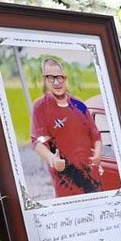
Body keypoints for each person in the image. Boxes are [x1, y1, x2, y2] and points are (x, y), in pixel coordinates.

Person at [30, 57, 104, 197]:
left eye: (59, 77)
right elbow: (37, 141)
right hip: (67, 183)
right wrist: (52, 160)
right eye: (51, 78)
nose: (56, 82)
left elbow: (95, 135)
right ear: (45, 80)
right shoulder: (40, 107)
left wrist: (98, 153)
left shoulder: (79, 104)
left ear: (65, 78)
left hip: (93, 180)